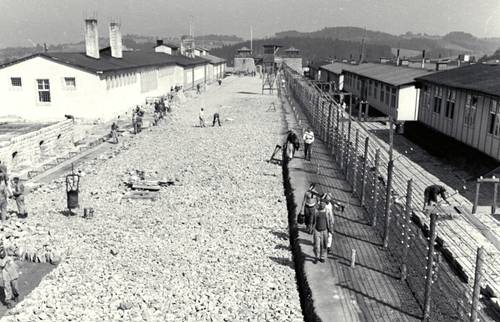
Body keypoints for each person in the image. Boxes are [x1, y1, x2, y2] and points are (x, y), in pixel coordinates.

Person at [310, 199, 333, 263]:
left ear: (325, 204)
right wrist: (311, 228)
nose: (322, 205)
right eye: (321, 203)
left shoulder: (327, 212)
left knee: (324, 245)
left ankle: (322, 257)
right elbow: (313, 220)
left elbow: (330, 220)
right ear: (319, 204)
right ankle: (317, 257)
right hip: (317, 230)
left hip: (324, 231)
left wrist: (330, 229)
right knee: (317, 245)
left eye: (323, 204)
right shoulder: (316, 211)